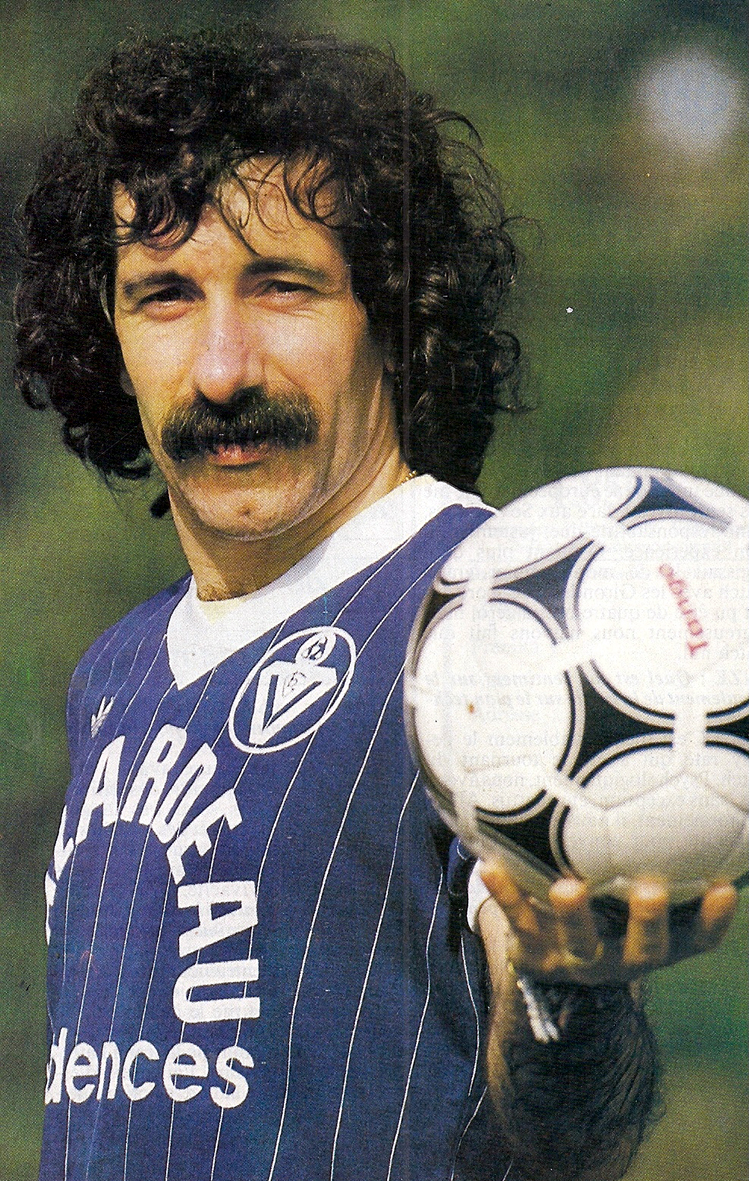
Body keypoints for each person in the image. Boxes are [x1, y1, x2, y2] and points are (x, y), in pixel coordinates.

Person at [14, 25, 737, 1181]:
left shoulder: (489, 623)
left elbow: (576, 1127)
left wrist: (567, 998)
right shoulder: (116, 668)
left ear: (388, 313)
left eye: (281, 286)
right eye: (163, 296)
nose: (222, 367)